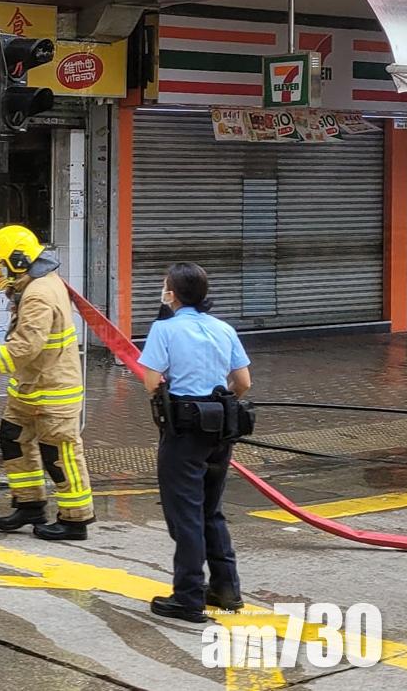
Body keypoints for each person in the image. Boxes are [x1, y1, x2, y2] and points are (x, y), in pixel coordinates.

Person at [0, 224, 94, 542]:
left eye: (0, 265)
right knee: (13, 438)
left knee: (59, 454)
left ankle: (75, 519)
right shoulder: (33, 285)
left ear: (18, 260)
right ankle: (30, 504)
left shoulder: (39, 294)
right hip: (31, 387)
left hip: (53, 390)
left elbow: (25, 347)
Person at [140, 262, 252, 624]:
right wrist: (216, 402)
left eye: (164, 286)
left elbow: (151, 381)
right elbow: (243, 382)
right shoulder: (223, 328)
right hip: (221, 428)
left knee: (185, 514)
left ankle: (188, 596)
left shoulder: (164, 329)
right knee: (210, 509)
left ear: (171, 294)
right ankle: (226, 588)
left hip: (184, 432)